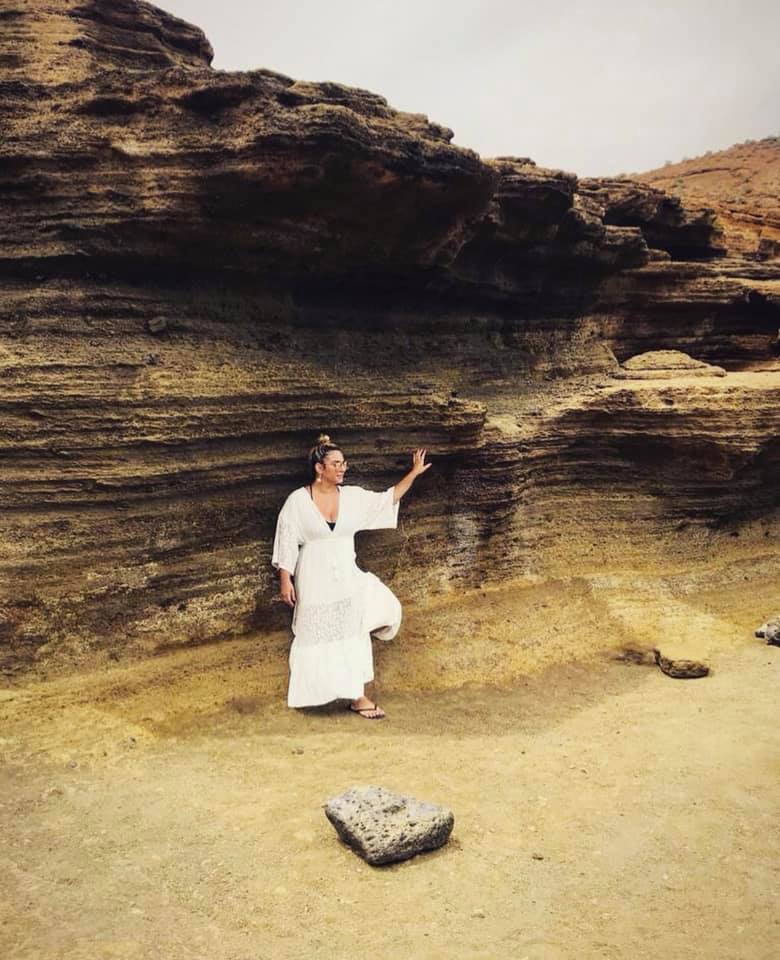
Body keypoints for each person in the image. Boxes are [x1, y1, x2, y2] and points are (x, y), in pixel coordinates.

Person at [272, 434, 431, 719]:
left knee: (356, 627)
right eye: (336, 463)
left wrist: (414, 473)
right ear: (319, 468)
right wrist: (286, 579)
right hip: (314, 578)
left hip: (347, 576)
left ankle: (358, 696)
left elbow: (387, 499)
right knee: (318, 633)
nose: (342, 468)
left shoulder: (353, 497)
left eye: (344, 463)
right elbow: (286, 540)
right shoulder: (297, 501)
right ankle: (325, 694)